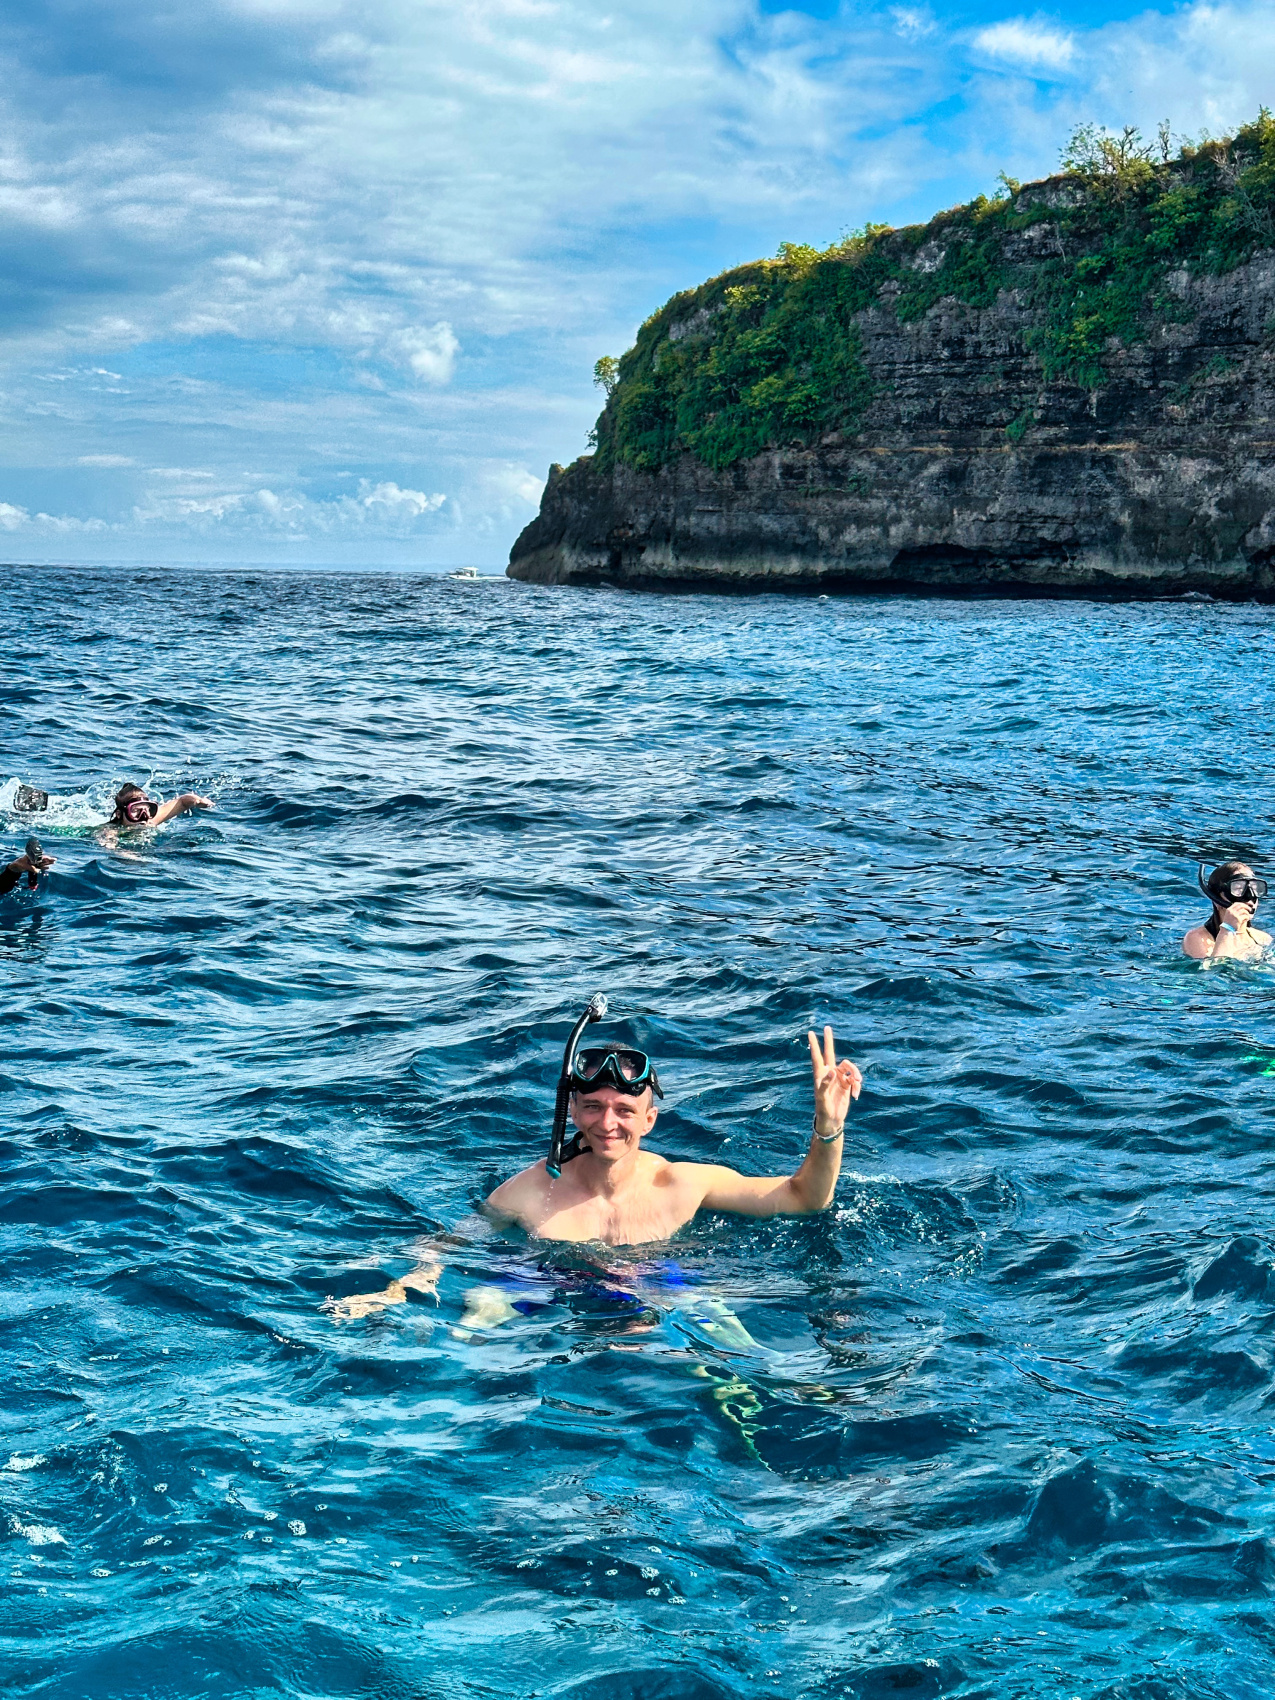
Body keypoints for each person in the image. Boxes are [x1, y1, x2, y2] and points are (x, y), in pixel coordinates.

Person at [325, 1025, 862, 1319]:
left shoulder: (683, 1184)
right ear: (574, 1112)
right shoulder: (529, 1192)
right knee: (476, 1321)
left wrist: (828, 1126)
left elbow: (805, 1199)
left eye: (624, 1110)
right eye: (593, 1107)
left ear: (649, 1119)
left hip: (662, 1281)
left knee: (728, 1352)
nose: (608, 1124)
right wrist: (402, 1285)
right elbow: (449, 1242)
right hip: (548, 1282)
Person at [1183, 861, 1271, 963]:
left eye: (1255, 888)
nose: (1249, 897)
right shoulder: (1196, 938)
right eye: (1238, 889)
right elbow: (1214, 969)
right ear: (1216, 898)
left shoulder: (1263, 939)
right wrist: (1227, 930)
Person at [97, 782, 214, 845]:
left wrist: (198, 801)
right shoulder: (111, 830)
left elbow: (182, 802)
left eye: (147, 810)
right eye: (136, 811)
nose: (143, 817)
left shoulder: (151, 821)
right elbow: (109, 844)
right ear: (119, 814)